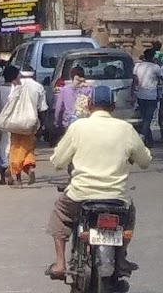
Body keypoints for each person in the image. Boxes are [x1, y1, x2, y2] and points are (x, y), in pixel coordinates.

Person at [46, 86, 151, 286]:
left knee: (60, 215)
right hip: (116, 198)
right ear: (113, 107)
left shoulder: (78, 127)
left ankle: (60, 263)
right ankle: (121, 257)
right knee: (129, 217)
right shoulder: (125, 129)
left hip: (81, 195)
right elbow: (145, 161)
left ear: (89, 105)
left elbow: (58, 161)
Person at [7, 70, 49, 185]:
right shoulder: (38, 87)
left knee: (15, 148)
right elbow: (43, 108)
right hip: (31, 122)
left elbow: (10, 102)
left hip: (15, 122)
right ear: (33, 74)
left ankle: (19, 179)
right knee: (28, 148)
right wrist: (41, 126)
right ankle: (30, 168)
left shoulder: (15, 85)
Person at [0, 62, 21, 184]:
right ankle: (17, 175)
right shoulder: (18, 90)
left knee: (1, 149)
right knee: (15, 147)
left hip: (1, 124)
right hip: (16, 123)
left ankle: (3, 174)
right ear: (15, 77)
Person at [132, 47, 162, 143]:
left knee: (144, 118)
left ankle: (149, 140)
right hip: (151, 96)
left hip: (140, 95)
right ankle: (142, 137)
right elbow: (161, 78)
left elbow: (134, 81)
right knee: (148, 119)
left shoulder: (138, 66)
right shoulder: (155, 67)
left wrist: (132, 93)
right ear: (152, 57)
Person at [53, 66, 89, 136]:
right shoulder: (89, 89)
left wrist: (57, 122)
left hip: (69, 123)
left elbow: (59, 108)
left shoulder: (65, 89)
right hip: (84, 122)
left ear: (71, 77)